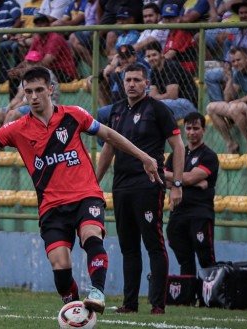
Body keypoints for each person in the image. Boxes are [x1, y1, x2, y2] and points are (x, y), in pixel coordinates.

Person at [0, 66, 163, 314]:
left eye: (39, 90)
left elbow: (109, 135)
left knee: (91, 236)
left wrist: (144, 157)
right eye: (28, 91)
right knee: (60, 268)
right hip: (52, 206)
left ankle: (97, 291)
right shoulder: (17, 128)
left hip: (86, 195)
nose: (33, 96)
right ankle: (74, 307)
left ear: (50, 89)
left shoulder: (74, 115)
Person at [95, 63, 185, 315]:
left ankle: (158, 304)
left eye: (137, 79)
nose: (132, 84)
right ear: (122, 83)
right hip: (121, 186)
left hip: (148, 185)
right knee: (128, 246)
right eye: (128, 80)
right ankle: (130, 303)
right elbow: (108, 149)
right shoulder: (115, 111)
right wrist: (94, 182)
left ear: (147, 83)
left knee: (154, 243)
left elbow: (178, 146)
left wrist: (177, 184)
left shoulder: (158, 109)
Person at [164, 112, 218, 279]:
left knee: (205, 256)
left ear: (204, 130)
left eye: (196, 128)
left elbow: (187, 178)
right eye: (188, 128)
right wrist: (188, 181)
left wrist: (179, 179)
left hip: (199, 212)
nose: (192, 132)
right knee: (184, 257)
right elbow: (163, 178)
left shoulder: (209, 156)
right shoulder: (176, 154)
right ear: (184, 130)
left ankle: (210, 296)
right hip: (178, 212)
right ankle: (187, 294)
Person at [205, 47, 247, 154]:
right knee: (211, 108)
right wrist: (229, 78)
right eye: (233, 61)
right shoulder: (237, 71)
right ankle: (231, 143)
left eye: (239, 60)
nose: (236, 63)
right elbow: (228, 98)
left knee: (235, 108)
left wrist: (237, 101)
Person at [145, 41, 198, 120]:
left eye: (154, 55)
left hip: (186, 104)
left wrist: (158, 97)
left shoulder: (171, 66)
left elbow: (172, 96)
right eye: (148, 56)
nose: (151, 58)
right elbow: (152, 95)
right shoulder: (153, 71)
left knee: (154, 106)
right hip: (169, 104)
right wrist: (161, 97)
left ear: (161, 54)